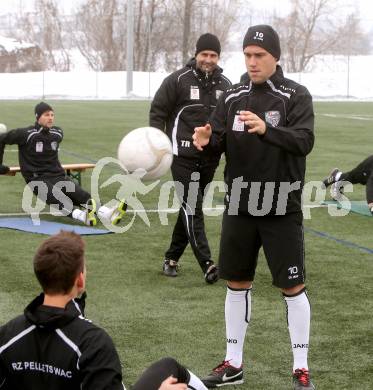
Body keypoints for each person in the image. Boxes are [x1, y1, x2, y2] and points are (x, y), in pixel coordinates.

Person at [193, 25, 315, 389]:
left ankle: (300, 366)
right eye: (247, 55)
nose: (252, 62)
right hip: (240, 204)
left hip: (281, 205)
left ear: (276, 57)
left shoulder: (295, 95)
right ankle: (233, 363)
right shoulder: (231, 96)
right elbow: (217, 138)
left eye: (259, 55)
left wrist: (266, 130)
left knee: (292, 287)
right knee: (236, 283)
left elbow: (304, 140)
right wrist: (206, 140)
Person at [0, 231, 208, 390]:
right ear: (79, 279)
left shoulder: (8, 335)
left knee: (166, 366)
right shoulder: (93, 344)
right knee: (169, 369)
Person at [149, 33, 231, 283]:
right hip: (181, 156)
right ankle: (207, 263)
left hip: (209, 158)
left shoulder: (226, 85)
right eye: (204, 54)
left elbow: (228, 124)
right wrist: (159, 147)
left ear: (218, 57)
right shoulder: (177, 80)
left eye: (213, 55)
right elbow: (157, 113)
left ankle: (171, 258)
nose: (208, 59)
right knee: (192, 207)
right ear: (196, 54)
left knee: (189, 209)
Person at [0, 102, 126, 226]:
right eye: (46, 115)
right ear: (37, 117)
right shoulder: (25, 134)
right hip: (36, 178)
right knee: (56, 197)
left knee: (80, 194)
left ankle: (107, 213)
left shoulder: (57, 133)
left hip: (58, 175)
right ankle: (83, 216)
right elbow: (1, 138)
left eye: (52, 115)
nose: (50, 118)